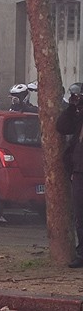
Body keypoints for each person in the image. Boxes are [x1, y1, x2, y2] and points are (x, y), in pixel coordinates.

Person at [57, 88, 83, 268]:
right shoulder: (78, 116)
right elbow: (62, 127)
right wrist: (72, 107)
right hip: (79, 171)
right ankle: (82, 253)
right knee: (80, 215)